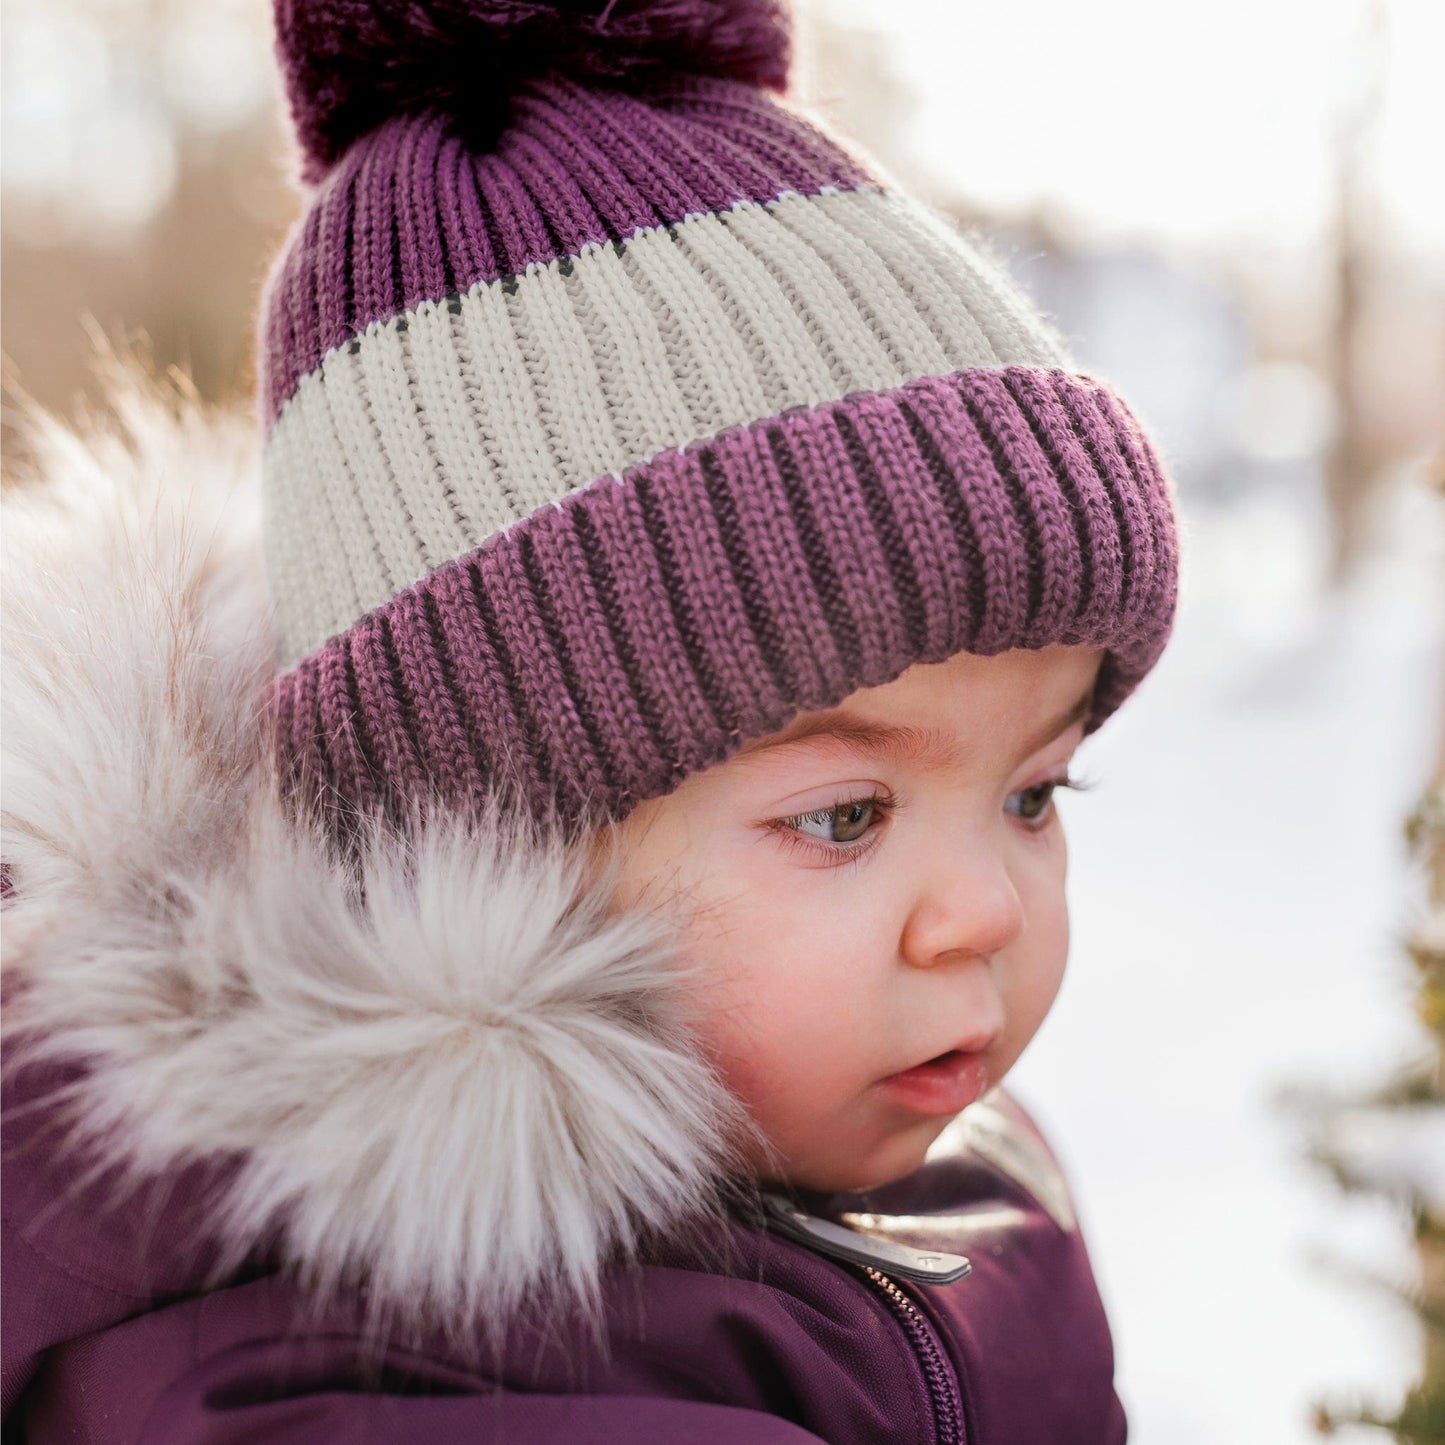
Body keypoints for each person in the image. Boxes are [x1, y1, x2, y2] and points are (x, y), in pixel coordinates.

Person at [0, 1, 1181, 1440]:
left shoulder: (961, 1182)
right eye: (843, 815)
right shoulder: (351, 1376)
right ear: (486, 847)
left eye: (1034, 792)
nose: (985, 912)